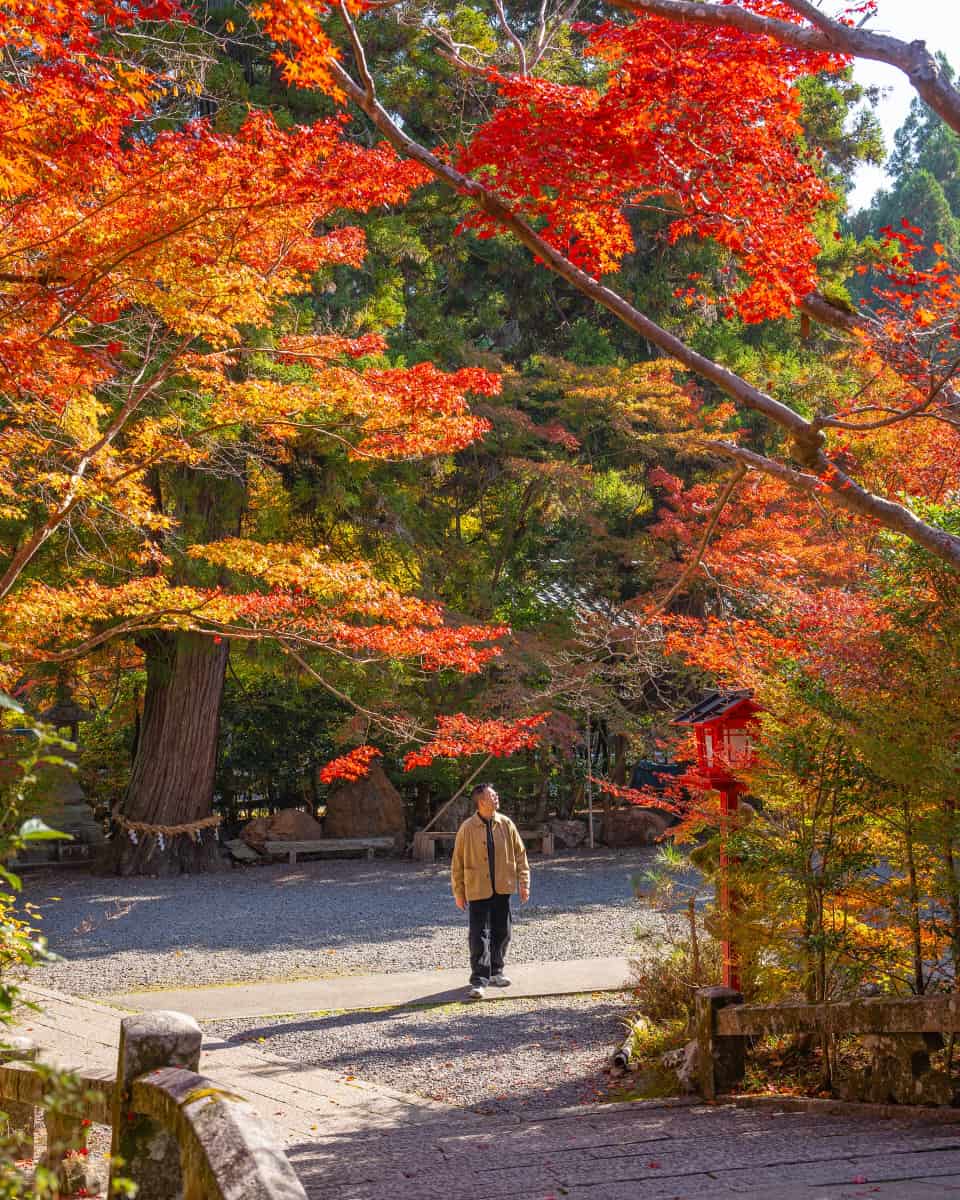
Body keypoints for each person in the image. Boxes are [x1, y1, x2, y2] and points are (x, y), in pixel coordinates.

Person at [451, 783, 530, 1000]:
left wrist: (524, 883)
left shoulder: (506, 823)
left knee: (502, 931)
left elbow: (520, 855)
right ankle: (479, 980)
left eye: (496, 795)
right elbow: (456, 862)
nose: (496, 798)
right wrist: (459, 891)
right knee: (479, 935)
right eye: (492, 795)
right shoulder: (467, 828)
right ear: (481, 801)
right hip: (477, 888)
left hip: (503, 887)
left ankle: (496, 971)